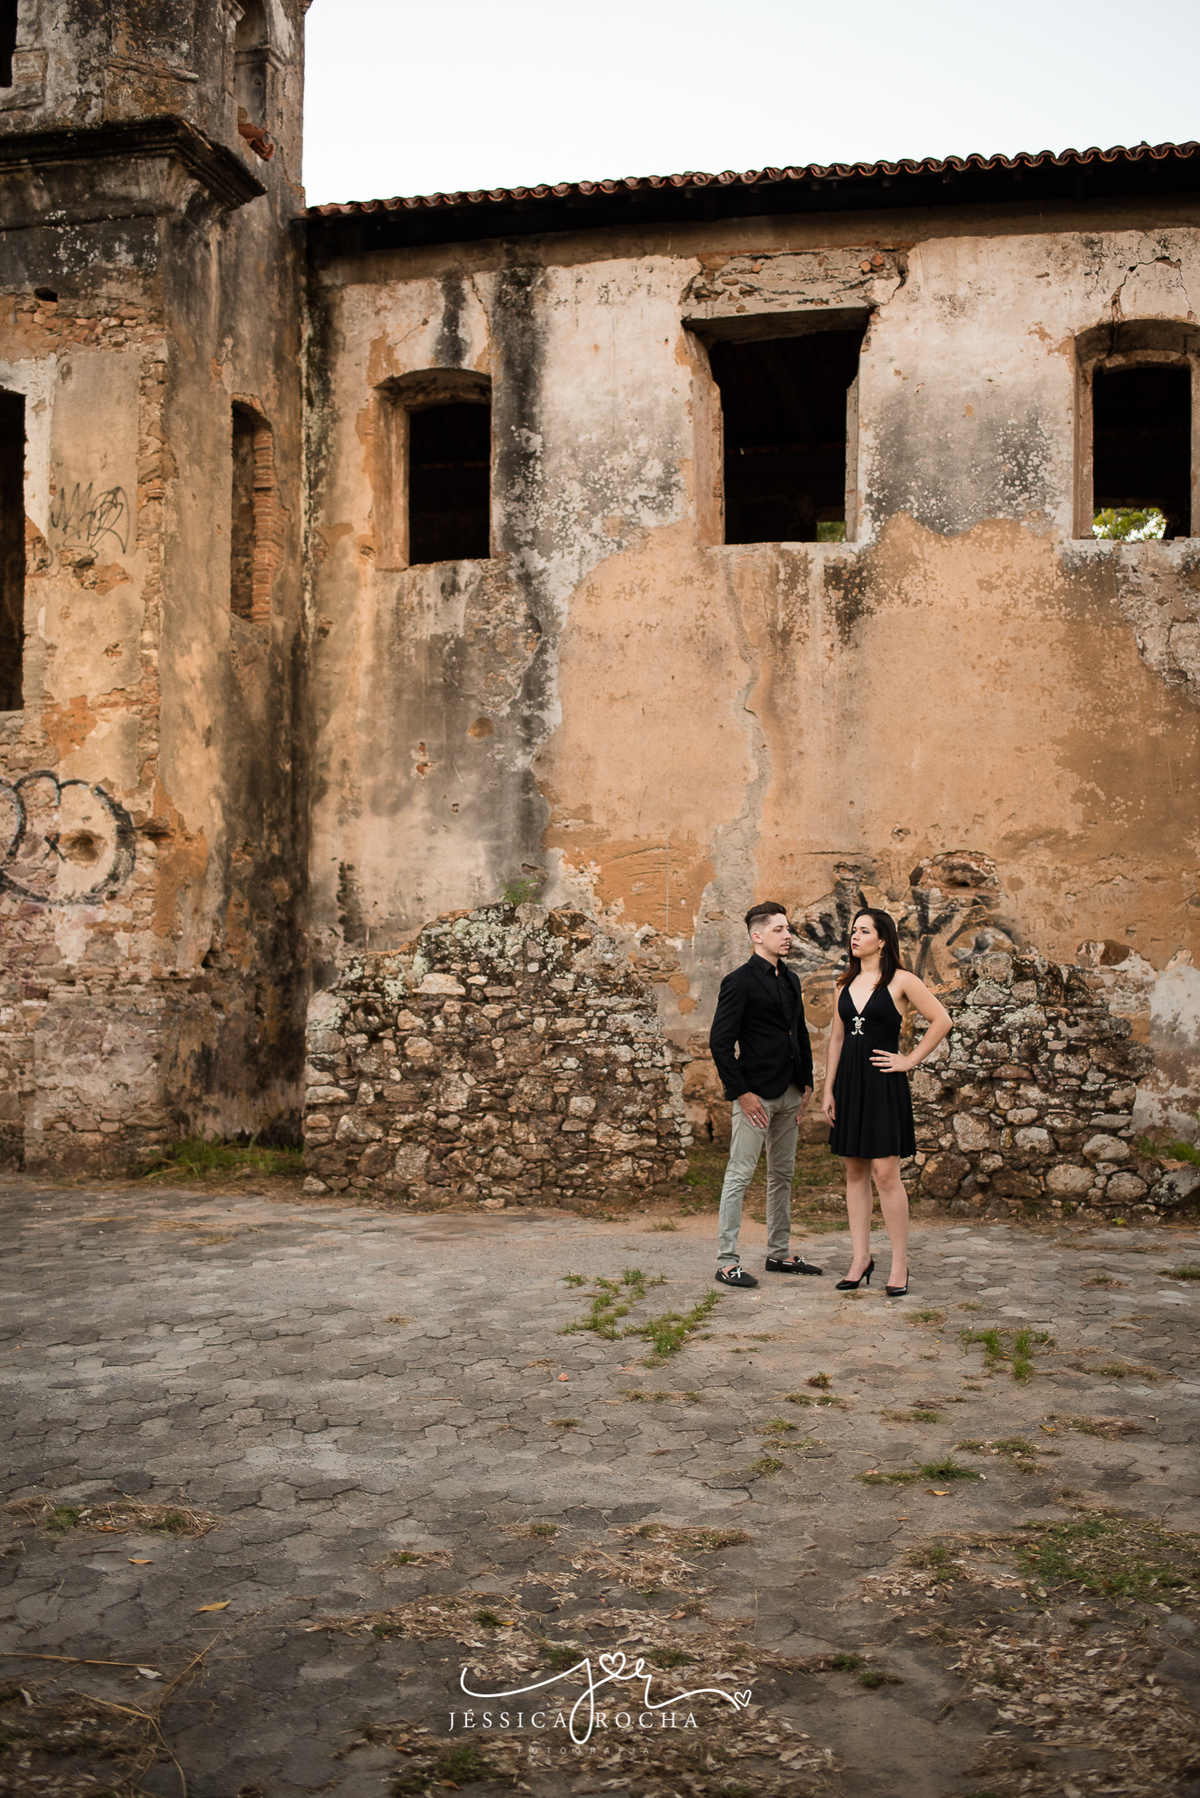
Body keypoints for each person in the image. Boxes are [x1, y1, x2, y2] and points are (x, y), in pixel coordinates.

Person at [821, 907, 952, 1297]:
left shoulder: (902, 981)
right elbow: (837, 1039)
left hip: (882, 1084)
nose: (855, 936)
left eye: (864, 931)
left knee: (885, 1174)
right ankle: (861, 1258)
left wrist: (909, 1060)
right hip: (848, 1085)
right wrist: (829, 1089)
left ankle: (899, 1263)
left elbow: (942, 1020)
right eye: (853, 931)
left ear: (882, 939)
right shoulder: (842, 985)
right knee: (854, 1171)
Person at [708, 903, 822, 1288]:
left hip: (790, 1091)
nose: (787, 935)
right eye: (778, 930)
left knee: (783, 1175)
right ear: (757, 936)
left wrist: (806, 1083)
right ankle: (727, 1262)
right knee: (739, 1176)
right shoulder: (738, 981)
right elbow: (720, 1043)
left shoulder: (790, 980)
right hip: (756, 1095)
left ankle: (779, 1254)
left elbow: (799, 1033)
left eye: (787, 928)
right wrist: (741, 1093)